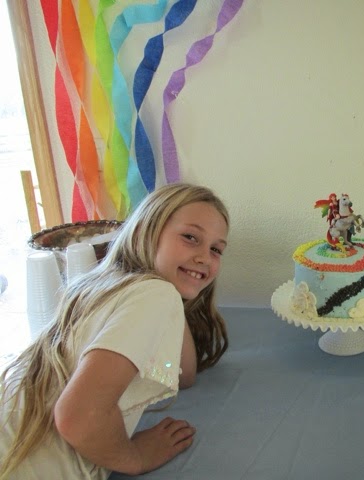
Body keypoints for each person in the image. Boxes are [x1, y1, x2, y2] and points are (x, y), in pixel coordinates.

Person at [0, 183, 230, 479]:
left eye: (216, 249)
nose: (204, 257)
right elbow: (78, 416)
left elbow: (181, 373)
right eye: (190, 237)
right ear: (146, 231)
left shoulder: (104, 284)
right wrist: (135, 457)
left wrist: (176, 297)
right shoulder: (155, 295)